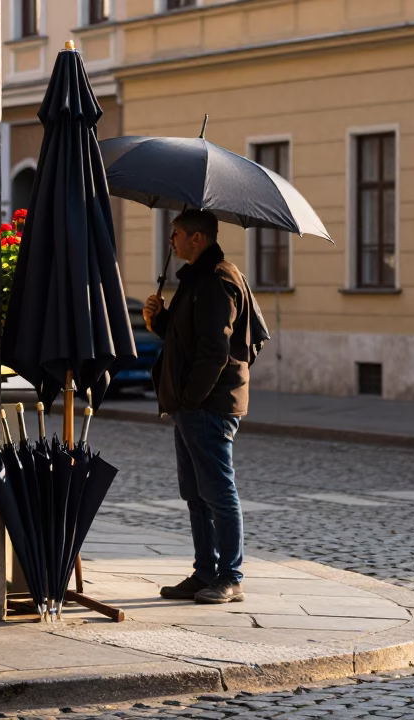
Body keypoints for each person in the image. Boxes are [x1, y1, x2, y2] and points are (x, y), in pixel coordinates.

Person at [144, 209, 262, 605]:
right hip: (191, 404)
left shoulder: (216, 280)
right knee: (195, 493)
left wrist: (192, 399)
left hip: (208, 405)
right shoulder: (197, 279)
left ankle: (230, 577)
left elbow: (215, 349)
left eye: (176, 234)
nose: (171, 240)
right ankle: (204, 572)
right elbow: (186, 339)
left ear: (198, 238)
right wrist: (159, 322)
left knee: (218, 492)